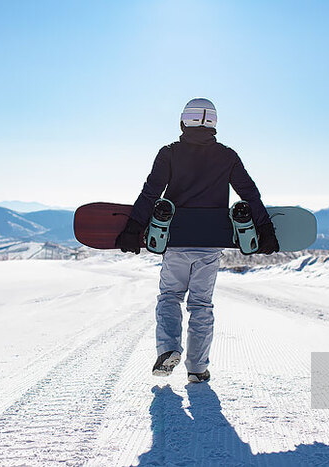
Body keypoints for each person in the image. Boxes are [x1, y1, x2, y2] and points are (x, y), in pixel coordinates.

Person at [115, 98, 279, 383]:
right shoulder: (227, 156)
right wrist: (266, 230)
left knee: (170, 297)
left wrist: (134, 227)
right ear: (214, 124)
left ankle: (168, 350)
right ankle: (197, 368)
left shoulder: (169, 153)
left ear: (183, 122)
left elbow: (150, 193)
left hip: (176, 239)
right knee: (201, 305)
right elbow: (250, 195)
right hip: (210, 243)